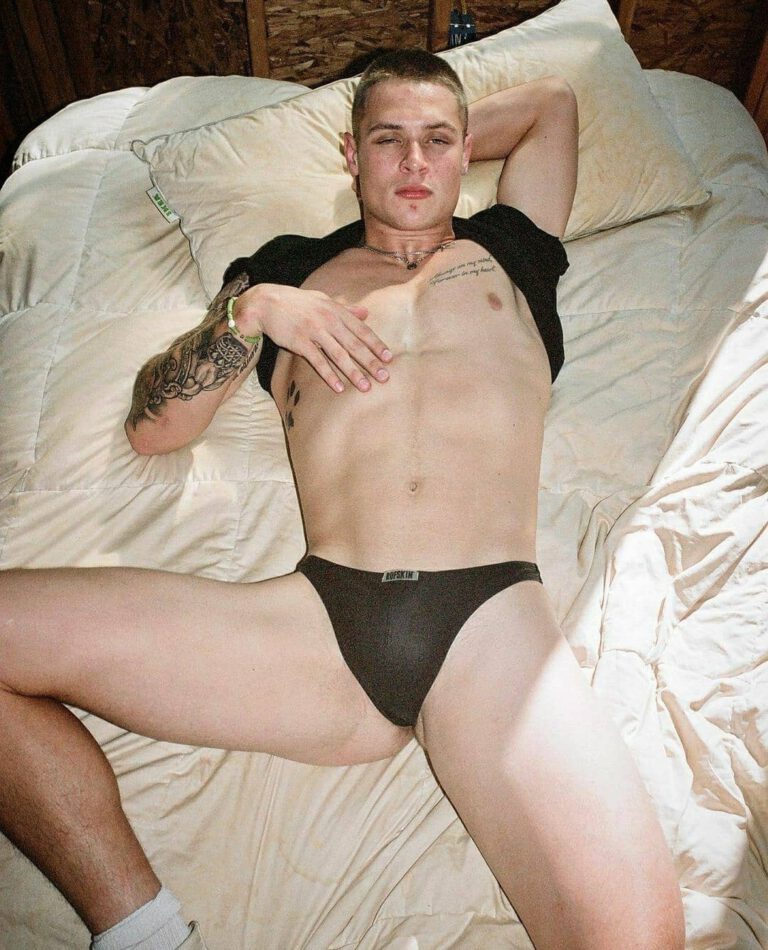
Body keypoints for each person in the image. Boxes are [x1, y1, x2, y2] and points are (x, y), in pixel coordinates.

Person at [0, 49, 685, 950]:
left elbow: (553, 102)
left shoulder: (511, 249)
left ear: (466, 150)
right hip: (320, 625)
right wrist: (253, 313)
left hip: (491, 626)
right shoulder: (286, 269)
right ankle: (144, 931)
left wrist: (416, 127)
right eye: (387, 141)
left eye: (437, 141)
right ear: (351, 157)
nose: (414, 161)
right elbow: (154, 429)